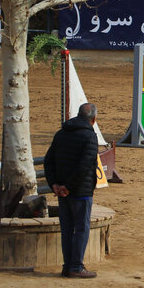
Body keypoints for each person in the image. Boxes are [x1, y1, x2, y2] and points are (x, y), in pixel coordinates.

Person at [44, 102, 99, 278]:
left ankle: (67, 266)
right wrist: (68, 187)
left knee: (67, 229)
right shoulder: (89, 136)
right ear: (94, 119)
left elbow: (48, 160)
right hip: (80, 191)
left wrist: (54, 185)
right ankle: (76, 266)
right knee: (81, 228)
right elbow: (85, 167)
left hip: (61, 191)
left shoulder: (61, 134)